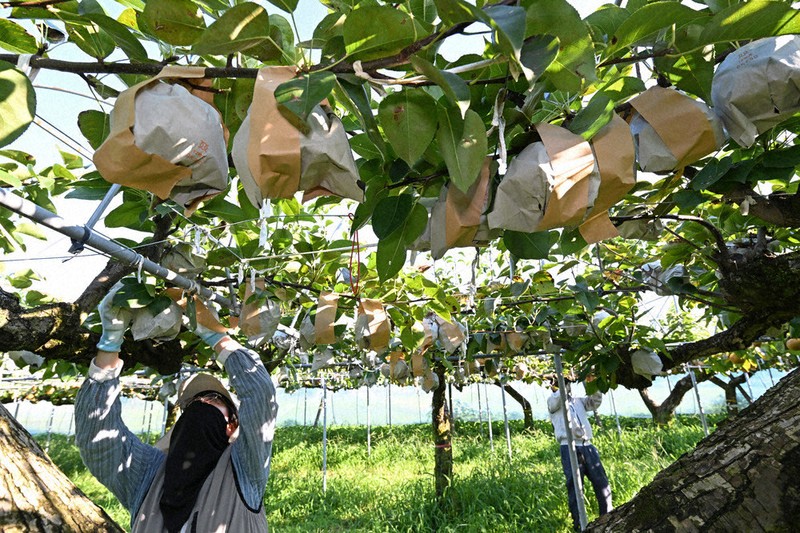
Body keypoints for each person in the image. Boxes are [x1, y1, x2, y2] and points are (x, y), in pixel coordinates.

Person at [75, 285, 278, 532]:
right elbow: (98, 438)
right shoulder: (148, 476)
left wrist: (213, 333)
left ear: (233, 424)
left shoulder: (243, 472)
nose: (201, 404)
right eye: (192, 405)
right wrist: (110, 343)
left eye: (214, 399)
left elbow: (259, 393)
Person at [547, 381, 612, 531]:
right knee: (575, 485)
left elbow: (594, 402)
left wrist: (592, 385)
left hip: (587, 445)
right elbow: (558, 398)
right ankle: (578, 524)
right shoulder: (553, 401)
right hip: (569, 447)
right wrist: (563, 384)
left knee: (602, 483)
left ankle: (608, 517)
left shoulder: (578, 400)